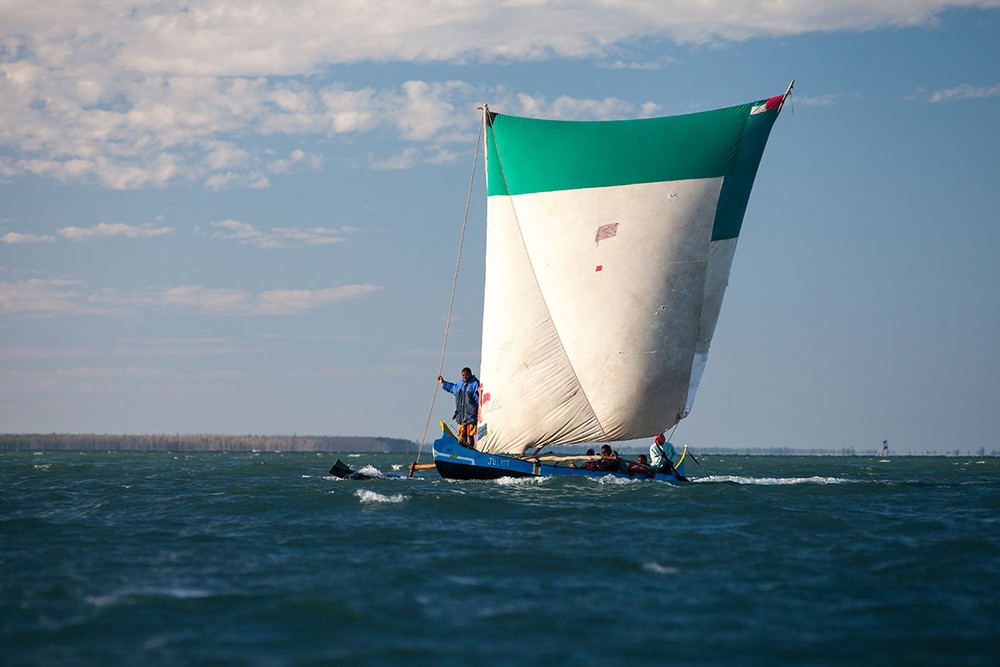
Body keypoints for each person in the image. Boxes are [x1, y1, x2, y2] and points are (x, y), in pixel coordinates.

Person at [438, 367, 480, 447]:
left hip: (471, 415)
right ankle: (462, 451)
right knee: (462, 435)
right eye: (463, 375)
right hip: (461, 416)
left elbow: (478, 399)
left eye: (466, 375)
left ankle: (471, 450)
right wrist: (443, 382)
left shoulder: (475, 383)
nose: (464, 377)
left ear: (470, 374)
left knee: (470, 435)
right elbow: (452, 388)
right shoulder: (460, 384)